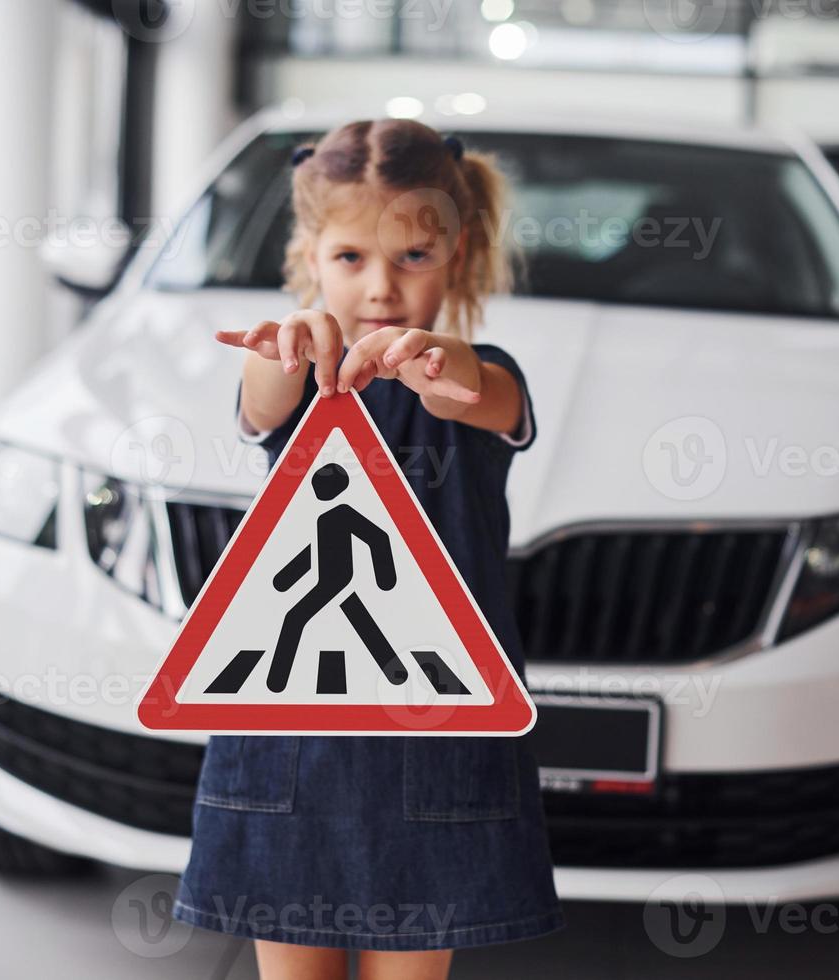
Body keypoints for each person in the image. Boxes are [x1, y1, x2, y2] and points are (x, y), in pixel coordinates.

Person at [169, 117, 565, 980]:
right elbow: (263, 400)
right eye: (351, 258)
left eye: (413, 259)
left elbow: (479, 391)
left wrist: (438, 364)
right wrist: (291, 344)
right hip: (291, 742)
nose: (382, 289)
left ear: (455, 258)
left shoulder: (477, 374)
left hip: (437, 743)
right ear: (311, 255)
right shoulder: (294, 368)